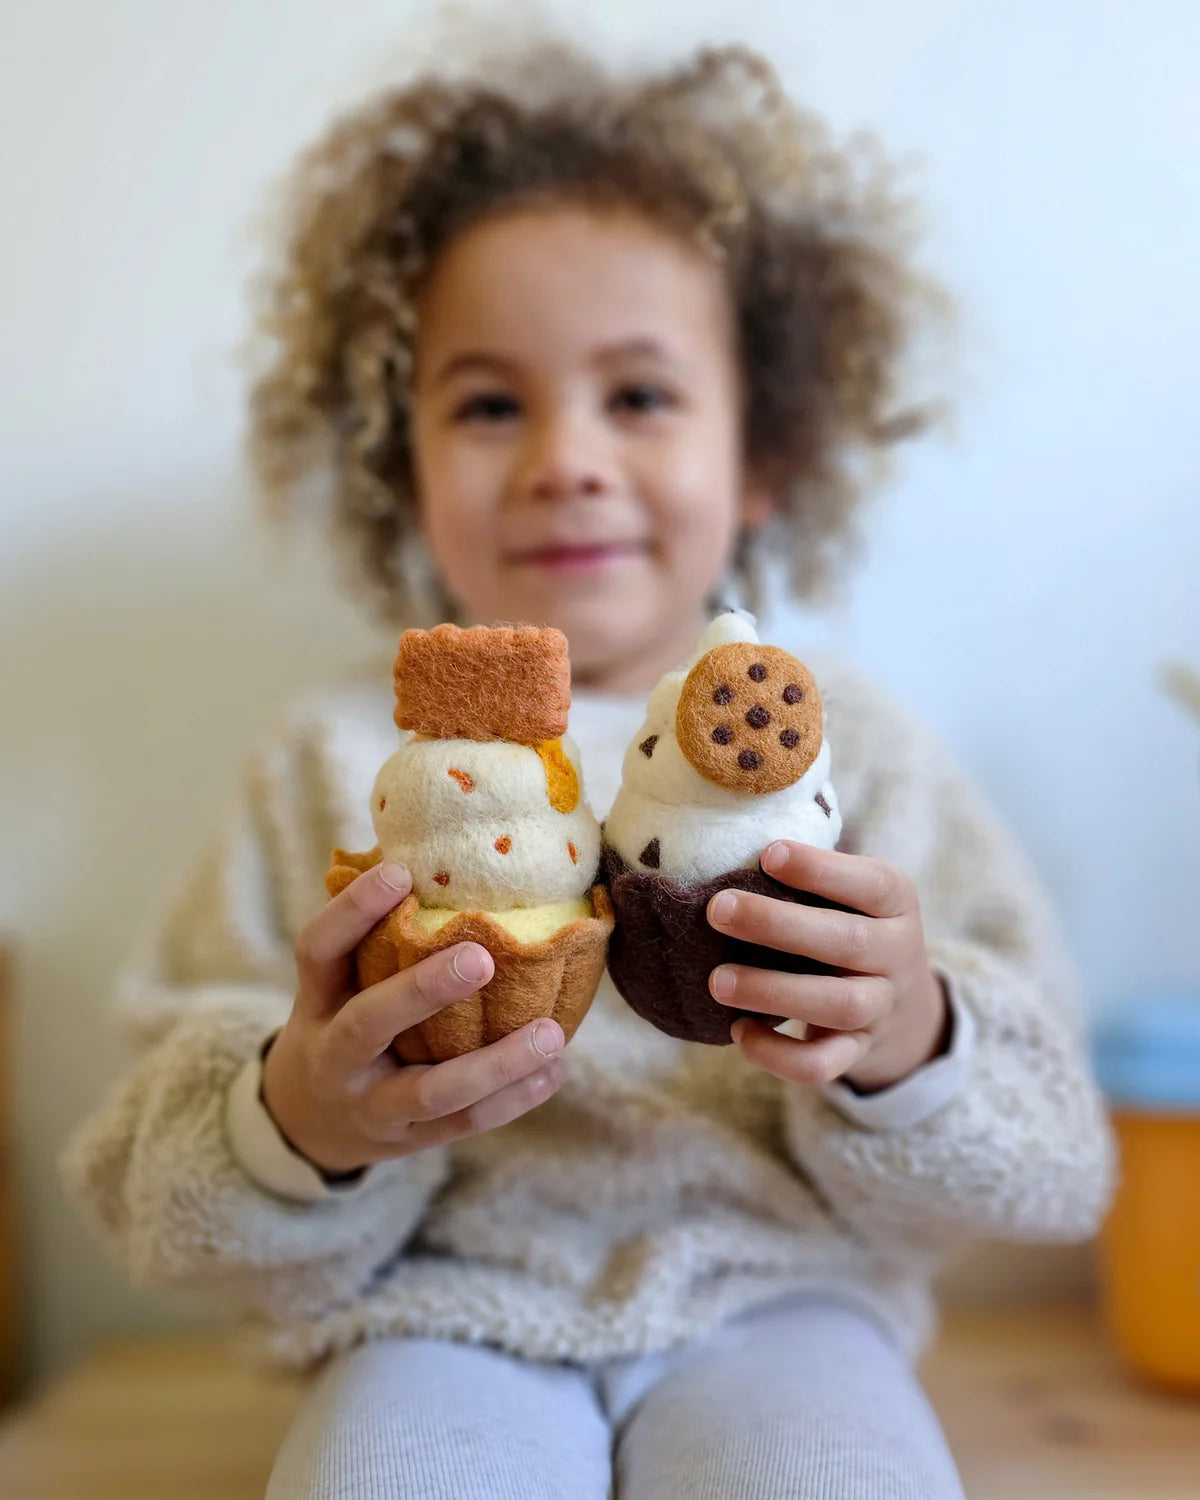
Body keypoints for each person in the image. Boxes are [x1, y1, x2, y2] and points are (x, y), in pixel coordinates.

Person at [62, 32, 1114, 1500]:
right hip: (428, 1311)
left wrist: (909, 1033)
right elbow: (147, 1190)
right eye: (491, 404)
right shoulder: (337, 765)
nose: (565, 456)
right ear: (402, 462)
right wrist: (298, 1110)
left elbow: (1058, 1162)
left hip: (782, 1306)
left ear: (761, 454)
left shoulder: (855, 748)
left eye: (639, 396)